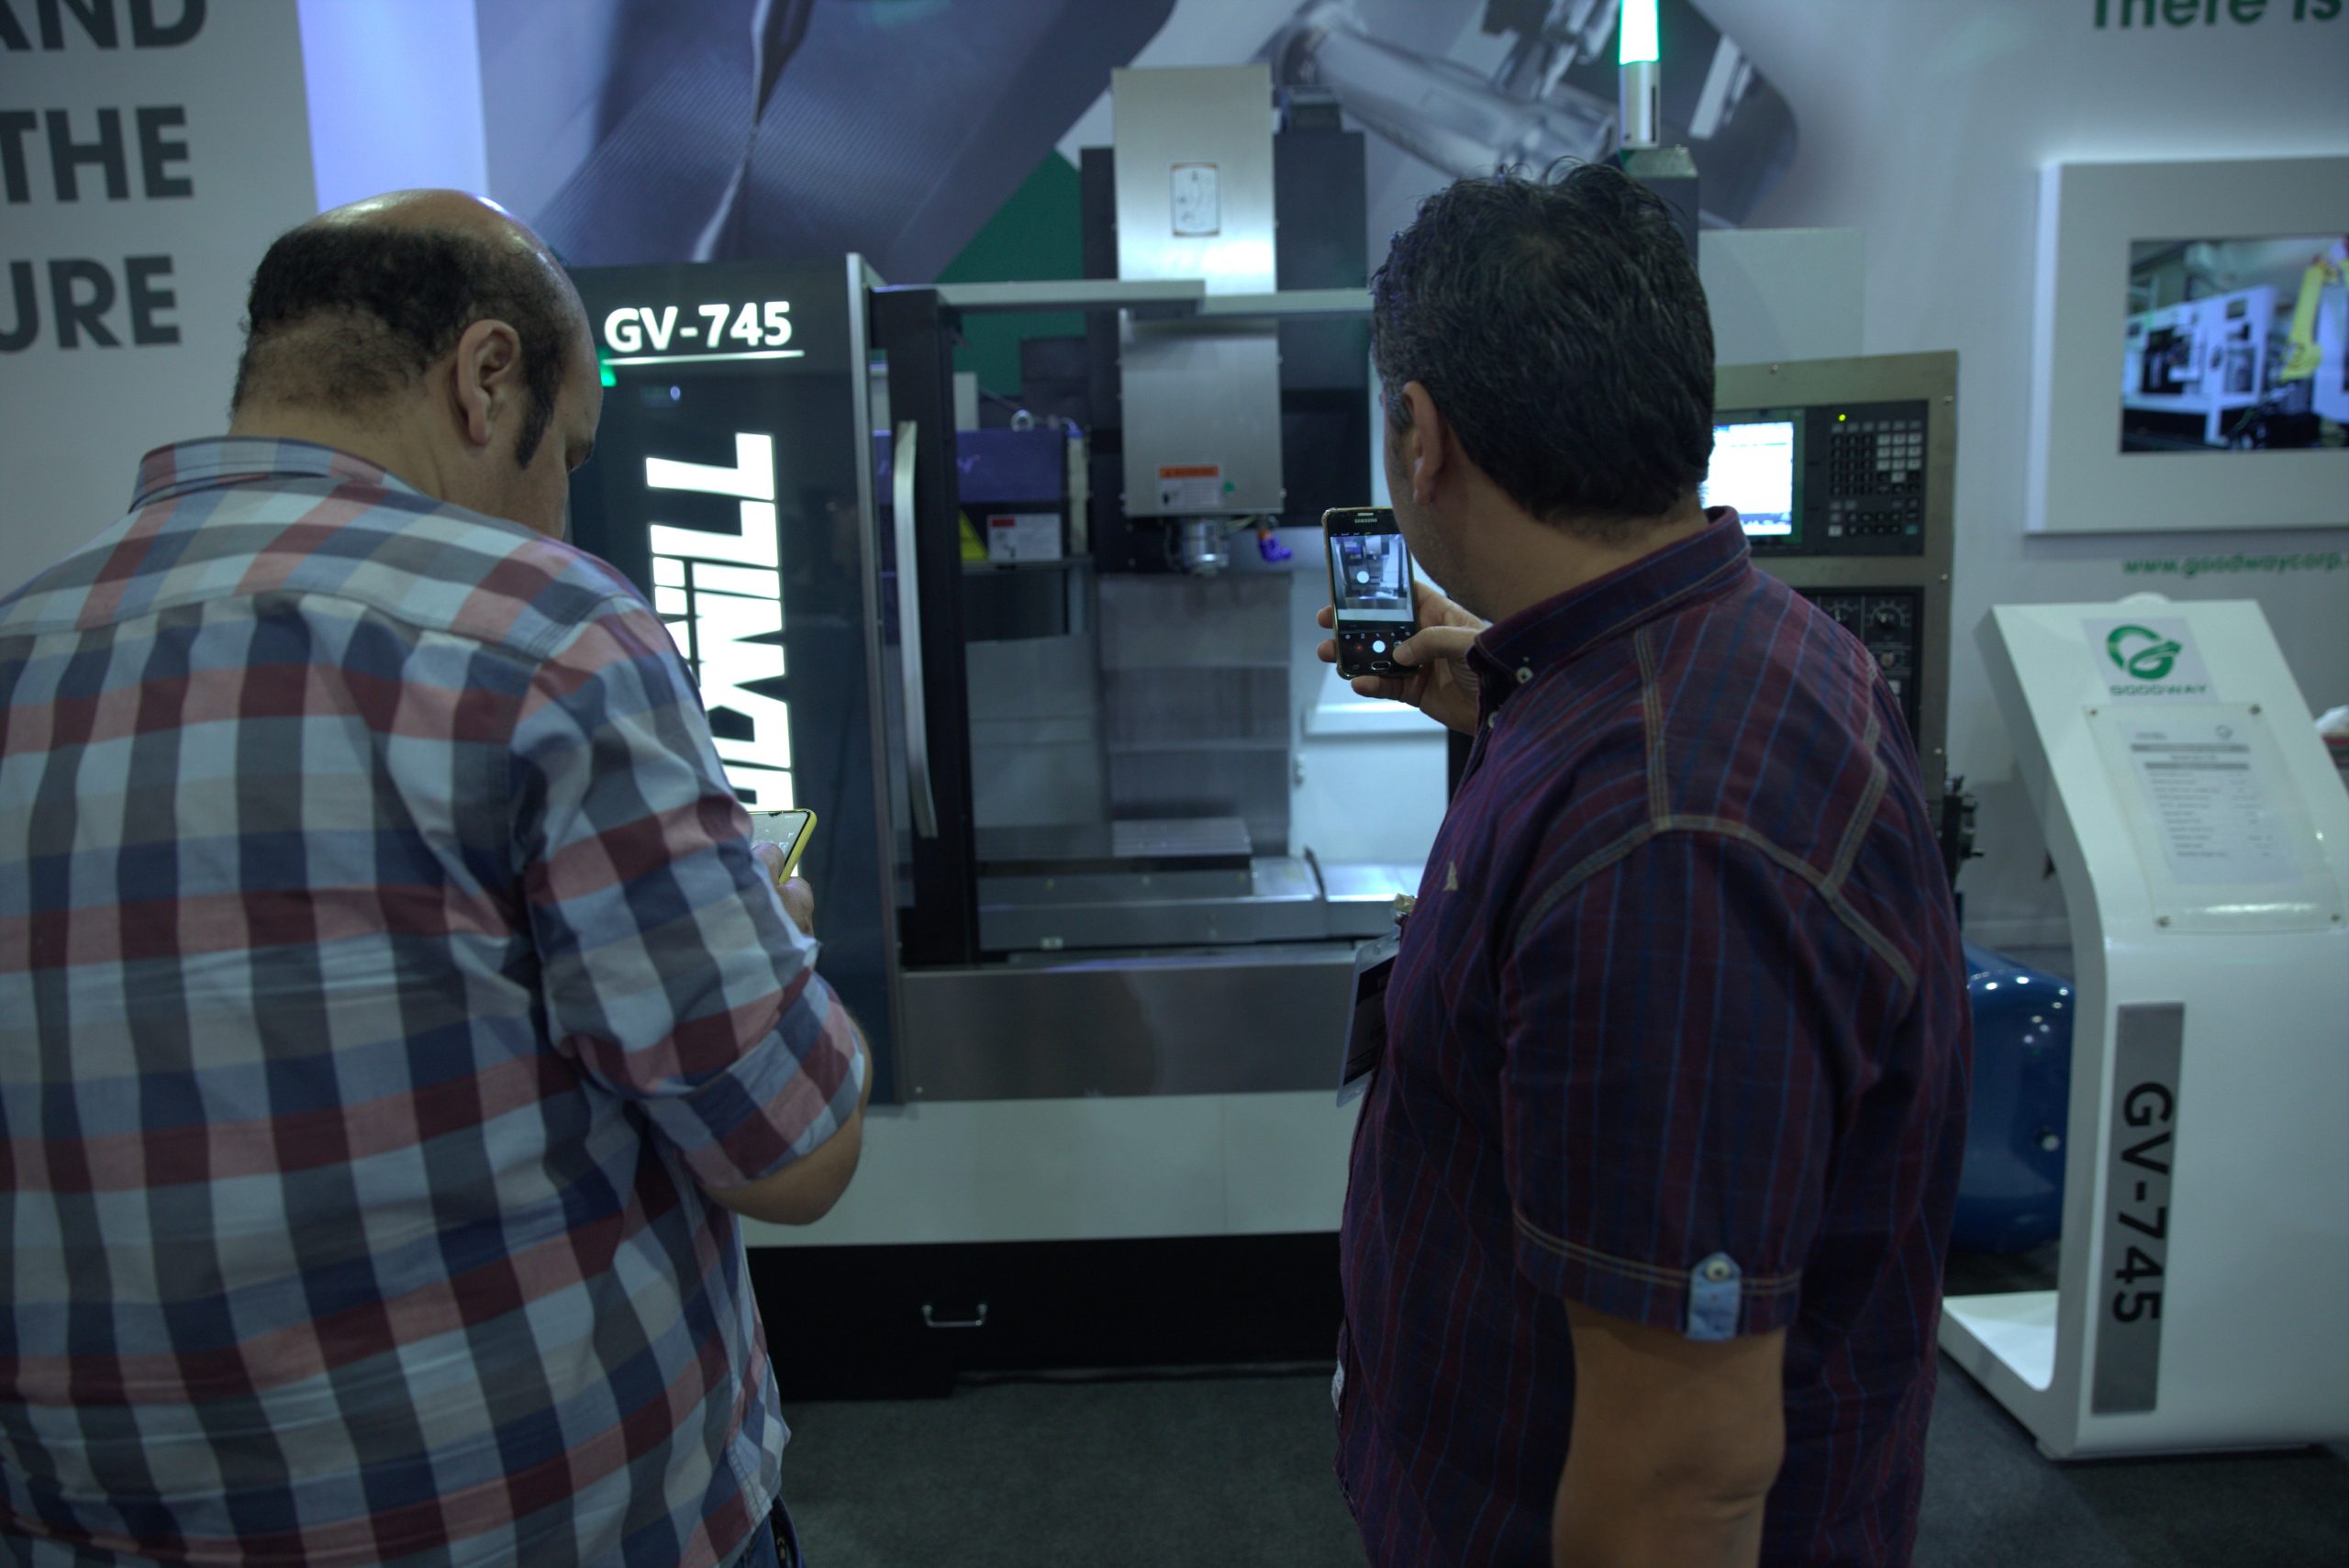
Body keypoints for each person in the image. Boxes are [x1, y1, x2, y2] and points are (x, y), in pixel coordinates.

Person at [0, 191, 863, 1568]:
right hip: (540, 1523)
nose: (561, 499)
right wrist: (772, 929)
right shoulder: (546, 632)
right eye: (566, 453)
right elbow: (796, 1153)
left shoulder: (25, 642)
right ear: (485, 377)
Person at [1319, 165, 1971, 1567]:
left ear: (1422, 436)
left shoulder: (1666, 842)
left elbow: (1683, 1478)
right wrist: (1507, 706)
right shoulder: (1725, 651)